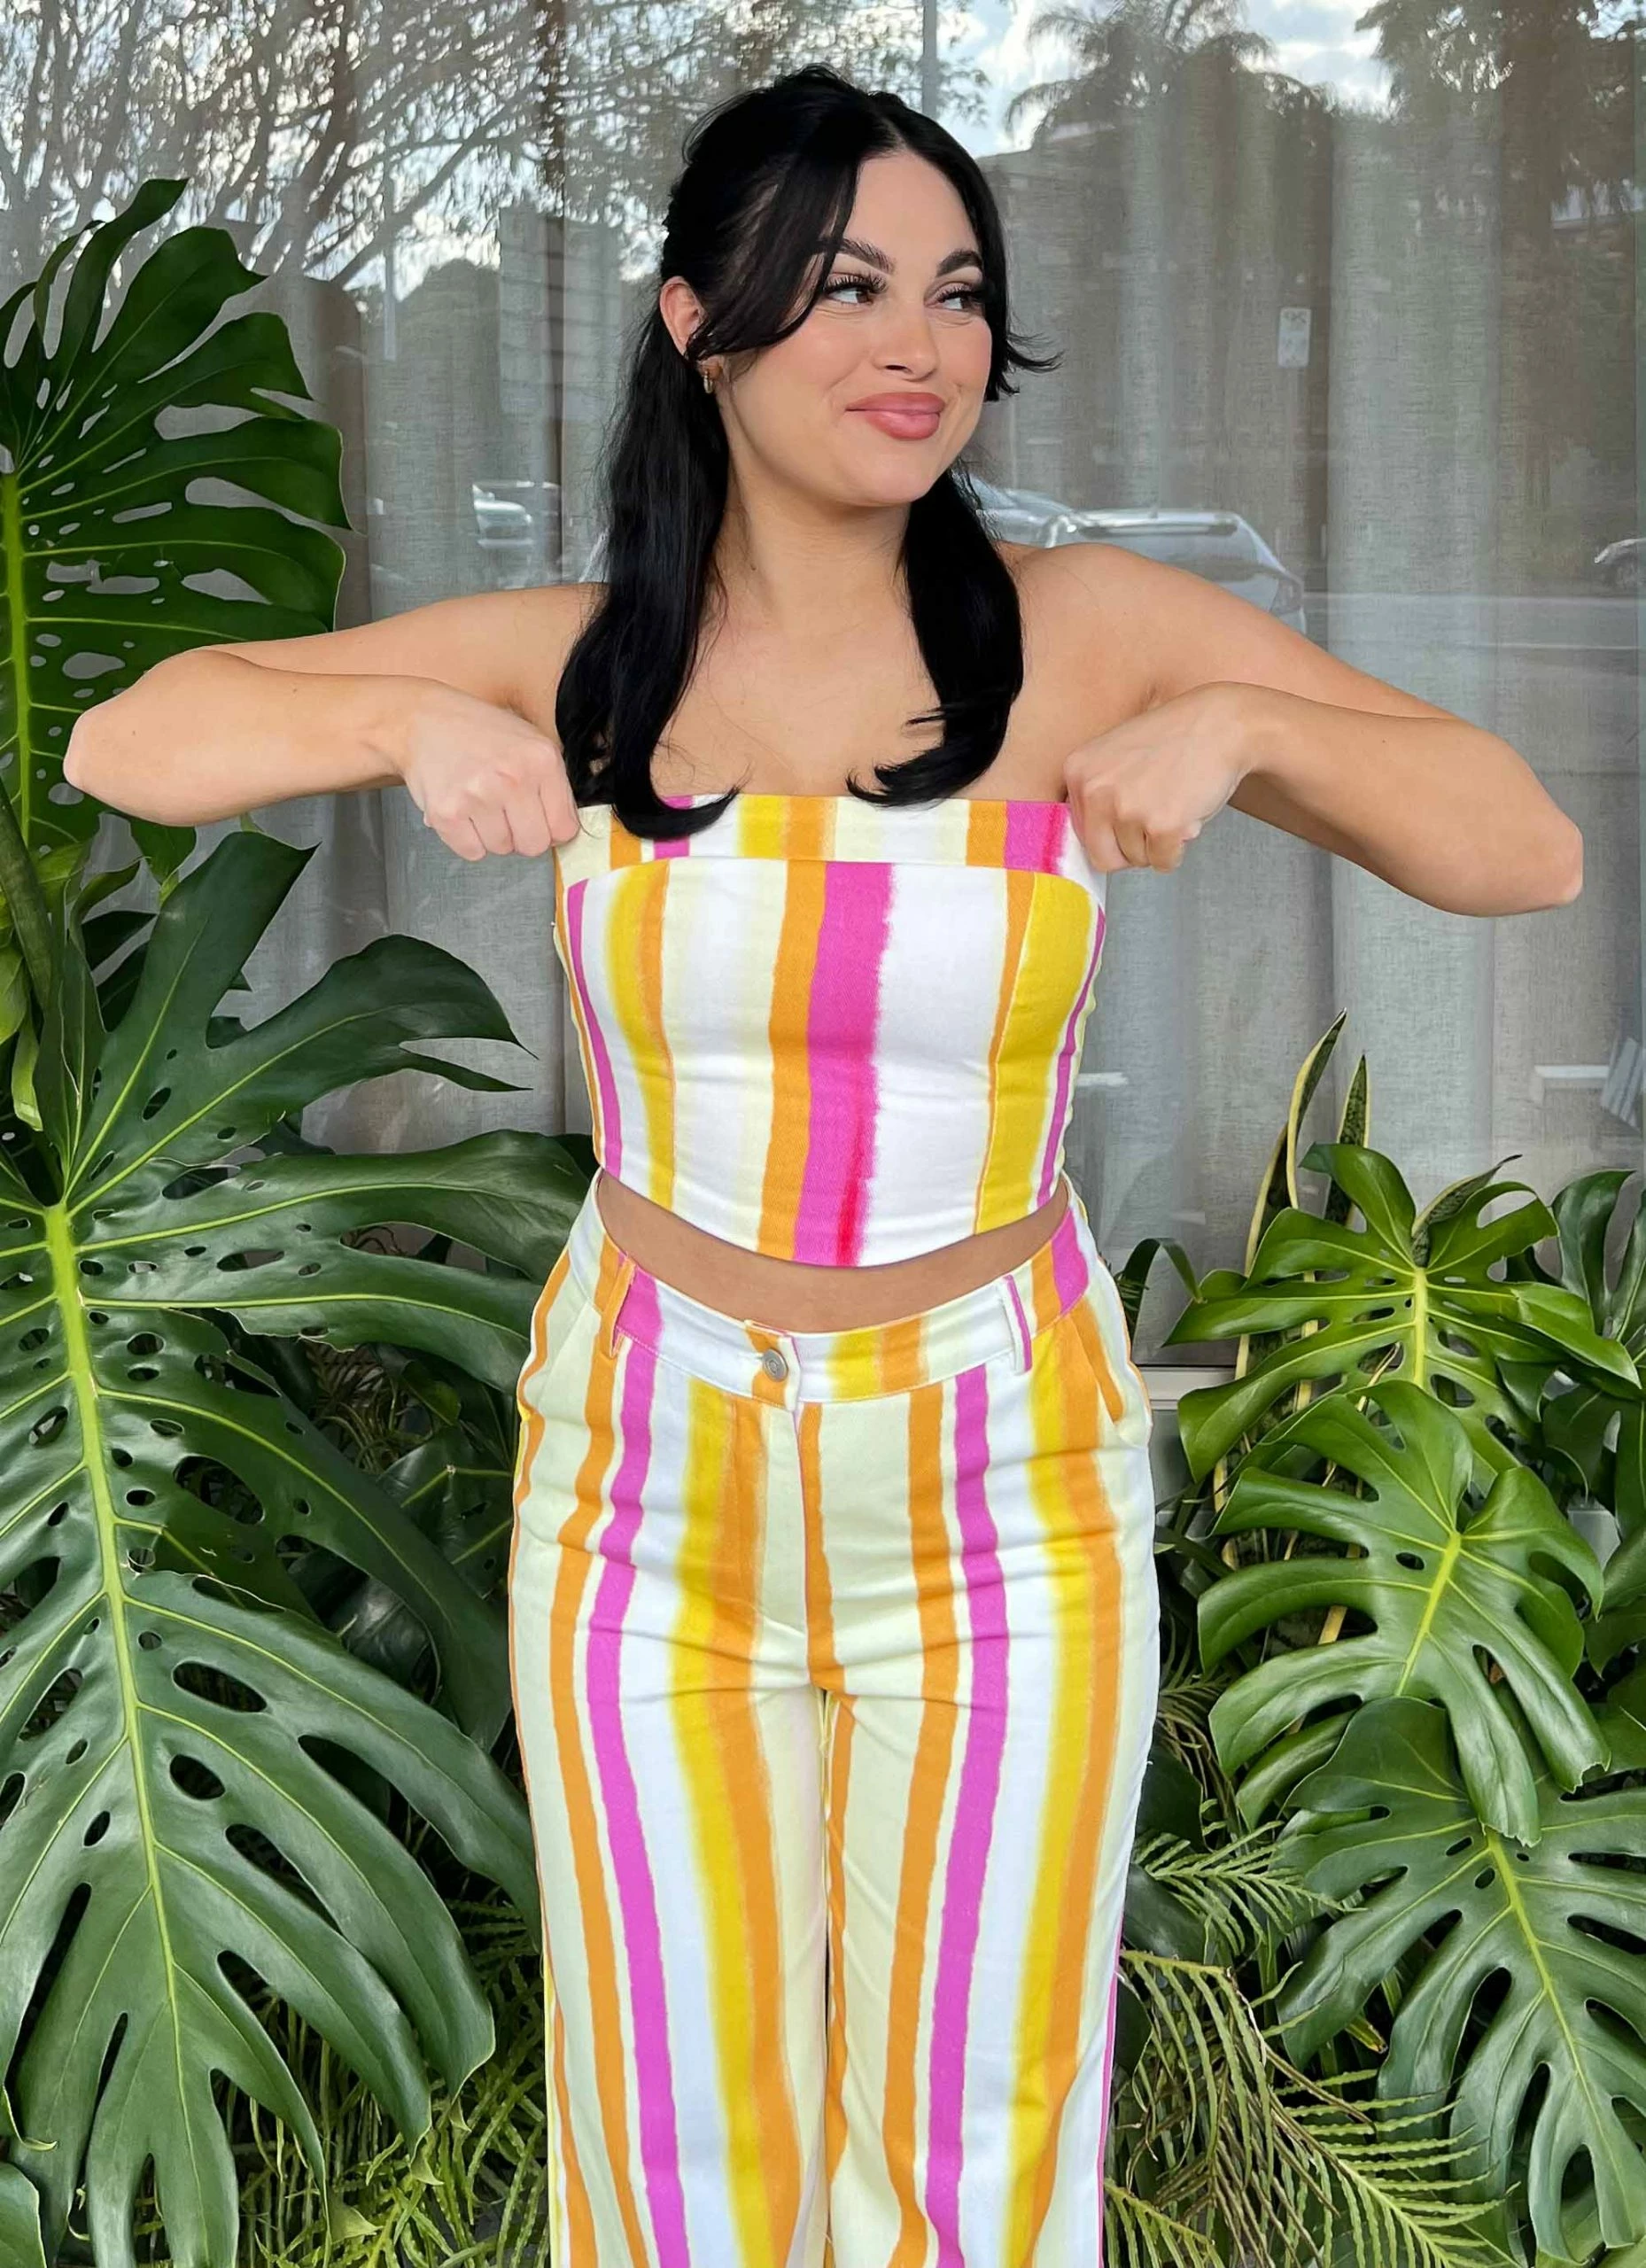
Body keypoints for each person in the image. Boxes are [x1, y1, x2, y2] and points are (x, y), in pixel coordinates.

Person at [66, 62, 1580, 2268]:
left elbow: (1521, 845)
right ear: (699, 326)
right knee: (666, 2138)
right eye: (847, 285)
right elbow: (134, 731)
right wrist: (398, 717)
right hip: (643, 1486)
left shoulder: (1078, 634)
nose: (918, 343)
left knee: (978, 2147)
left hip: (999, 1494)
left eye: (956, 291)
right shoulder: (590, 657)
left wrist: (1251, 726)